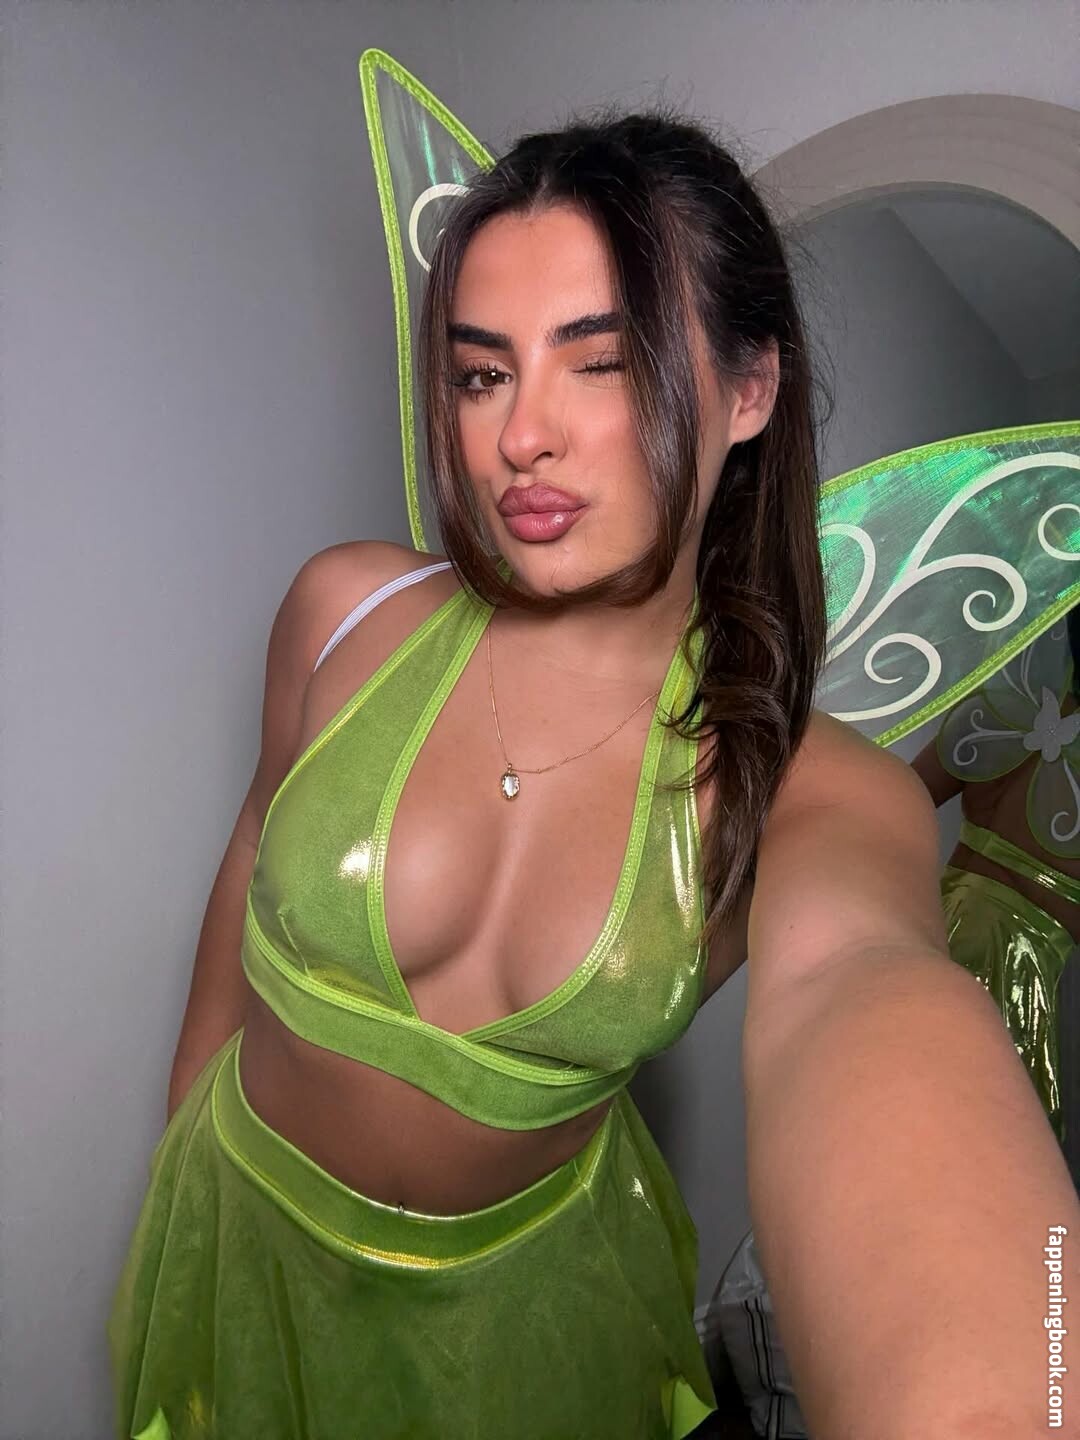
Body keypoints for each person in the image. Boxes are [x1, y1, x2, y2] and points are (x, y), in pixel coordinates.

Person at [109, 106, 1079, 1440]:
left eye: (602, 363)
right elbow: (244, 870)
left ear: (750, 389)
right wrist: (182, 1151)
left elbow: (859, 988)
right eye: (481, 374)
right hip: (242, 1244)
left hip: (532, 1321)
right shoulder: (341, 613)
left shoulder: (808, 786)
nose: (522, 436)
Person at [912, 607, 1080, 1140]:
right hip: (1013, 980)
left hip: (930, 933)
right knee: (981, 1147)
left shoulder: (1014, 691)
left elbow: (903, 797)